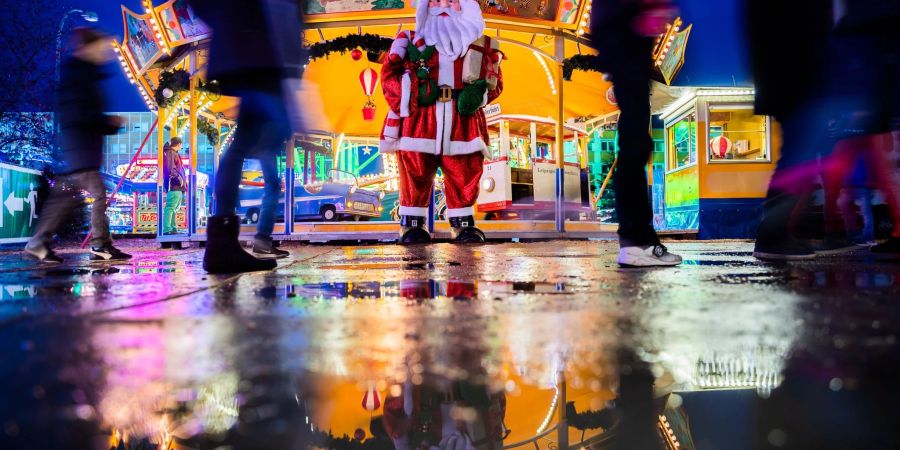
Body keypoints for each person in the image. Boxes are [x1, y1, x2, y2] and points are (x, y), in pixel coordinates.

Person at [192, 0, 304, 273]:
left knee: (247, 139)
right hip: (258, 51)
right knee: (273, 128)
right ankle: (228, 243)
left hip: (249, 50)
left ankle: (222, 242)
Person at [379, 0, 504, 244]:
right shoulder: (407, 42)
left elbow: (495, 81)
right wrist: (410, 91)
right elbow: (388, 76)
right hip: (419, 121)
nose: (444, 5)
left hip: (462, 122)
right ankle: (412, 224)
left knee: (465, 171)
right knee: (415, 170)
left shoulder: (480, 45)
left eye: (453, 1)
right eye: (436, 0)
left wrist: (479, 93)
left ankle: (463, 224)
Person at [24, 28, 131, 264]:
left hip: (80, 147)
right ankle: (100, 245)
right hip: (81, 147)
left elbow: (83, 113)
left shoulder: (83, 75)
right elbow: (80, 113)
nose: (105, 53)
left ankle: (38, 242)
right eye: (102, 48)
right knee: (97, 194)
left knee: (65, 198)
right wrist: (109, 122)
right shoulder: (79, 76)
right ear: (88, 48)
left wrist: (107, 124)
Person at [589, 0, 682, 267]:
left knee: (635, 140)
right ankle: (637, 241)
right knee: (636, 142)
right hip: (626, 36)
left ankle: (636, 239)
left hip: (621, 36)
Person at [749, 0, 836, 261]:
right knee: (800, 155)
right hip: (797, 74)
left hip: (786, 73)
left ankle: (778, 231)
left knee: (799, 153)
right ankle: (773, 232)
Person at [162, 137, 186, 235]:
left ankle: (172, 228)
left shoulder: (171, 153)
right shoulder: (171, 153)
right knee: (171, 207)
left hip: (176, 186)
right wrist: (179, 179)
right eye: (181, 145)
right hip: (174, 185)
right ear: (179, 144)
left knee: (173, 208)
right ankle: (167, 229)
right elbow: (171, 168)